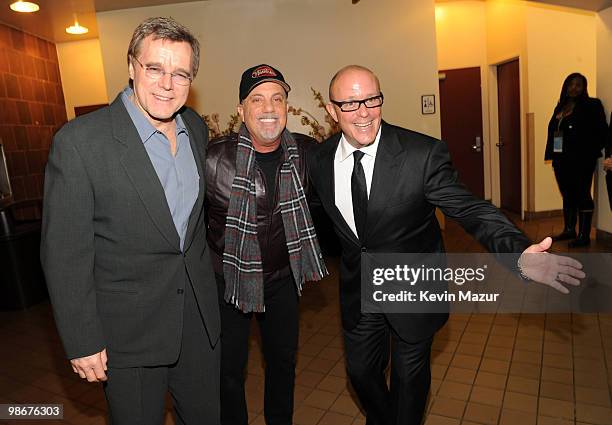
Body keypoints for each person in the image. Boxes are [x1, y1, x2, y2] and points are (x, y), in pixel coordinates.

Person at [307, 65, 585, 425]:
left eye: (372, 99)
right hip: (359, 291)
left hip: (415, 288)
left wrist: (518, 251)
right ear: (331, 110)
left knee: (410, 383)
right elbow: (323, 216)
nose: (364, 112)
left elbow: (471, 210)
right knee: (360, 376)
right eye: (350, 104)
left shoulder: (421, 155)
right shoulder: (319, 159)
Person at [40, 17, 220, 425]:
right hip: (128, 336)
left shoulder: (195, 127)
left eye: (180, 74)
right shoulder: (81, 143)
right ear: (131, 66)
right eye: (154, 68)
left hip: (197, 323)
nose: (166, 84)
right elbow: (64, 254)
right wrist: (82, 339)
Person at [205, 64, 328, 425]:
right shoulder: (213, 158)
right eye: (257, 99)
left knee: (282, 364)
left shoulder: (307, 154)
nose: (269, 107)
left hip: (281, 280)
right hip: (228, 281)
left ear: (287, 106)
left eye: (277, 98)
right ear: (241, 110)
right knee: (229, 372)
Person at [545, 73, 608, 247]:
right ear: (565, 87)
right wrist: (552, 154)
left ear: (584, 88)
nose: (574, 88)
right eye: (570, 84)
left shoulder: (592, 105)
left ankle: (583, 235)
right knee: (567, 194)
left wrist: (588, 151)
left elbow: (602, 132)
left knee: (582, 195)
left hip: (581, 160)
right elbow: (553, 132)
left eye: (578, 85)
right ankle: (569, 230)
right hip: (560, 159)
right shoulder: (561, 107)